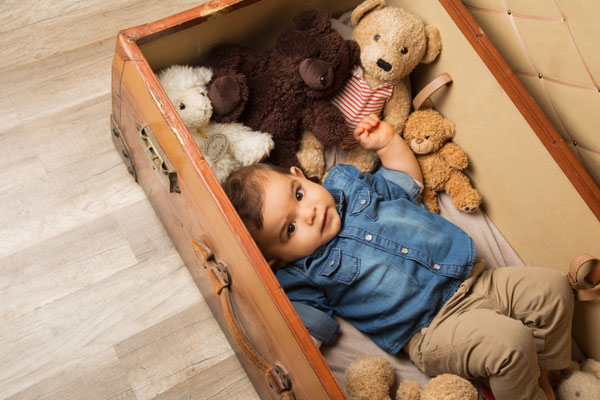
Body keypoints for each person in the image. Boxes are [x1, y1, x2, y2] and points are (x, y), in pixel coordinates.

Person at [223, 114, 574, 400]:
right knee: (510, 343)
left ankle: (537, 375)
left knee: (554, 288)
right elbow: (302, 331)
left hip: (477, 277)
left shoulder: (349, 185)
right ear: (278, 260)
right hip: (433, 328)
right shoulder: (304, 273)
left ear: (299, 175)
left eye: (299, 195)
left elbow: (405, 182)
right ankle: (521, 387)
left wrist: (389, 143)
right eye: (290, 229)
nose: (310, 213)